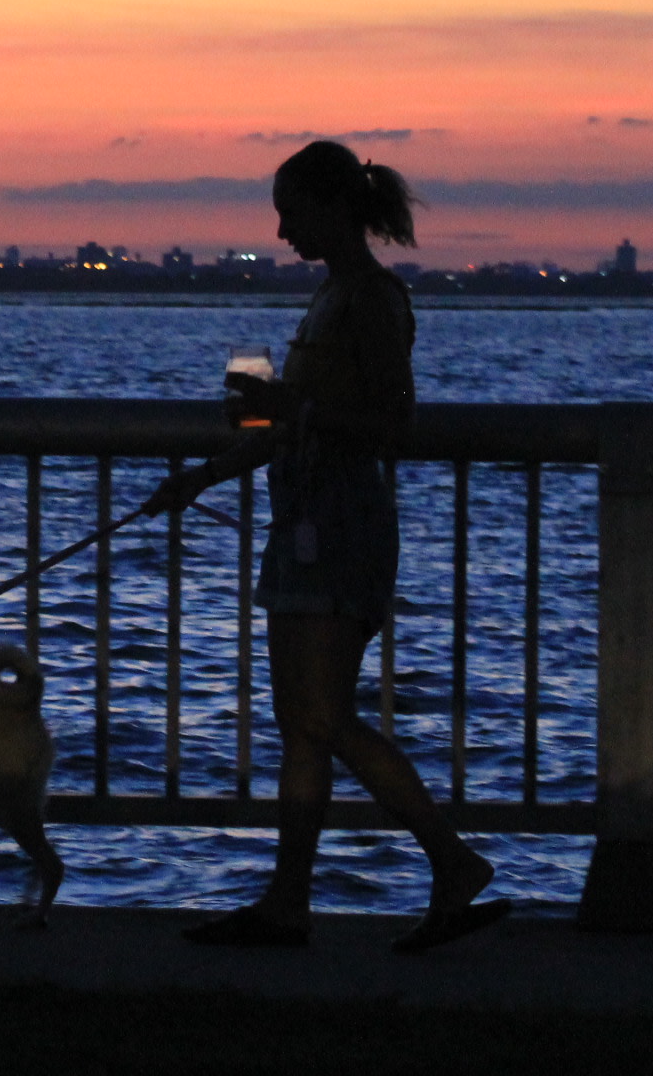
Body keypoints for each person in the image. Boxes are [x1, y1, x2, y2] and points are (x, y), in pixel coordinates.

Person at [143, 139, 506, 953]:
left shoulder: (373, 301)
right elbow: (295, 422)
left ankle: (451, 861)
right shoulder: (329, 298)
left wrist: (289, 407)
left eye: (291, 213)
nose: (281, 232)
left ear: (336, 210)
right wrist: (203, 476)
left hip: (342, 524)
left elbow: (390, 424)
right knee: (301, 722)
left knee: (323, 716)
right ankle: (288, 903)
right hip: (304, 521)